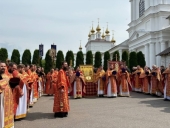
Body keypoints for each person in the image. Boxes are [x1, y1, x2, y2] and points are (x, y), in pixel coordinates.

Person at [0, 62, 14, 128]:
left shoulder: (7, 76)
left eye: (4, 66)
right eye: (1, 66)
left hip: (8, 97)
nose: (3, 67)